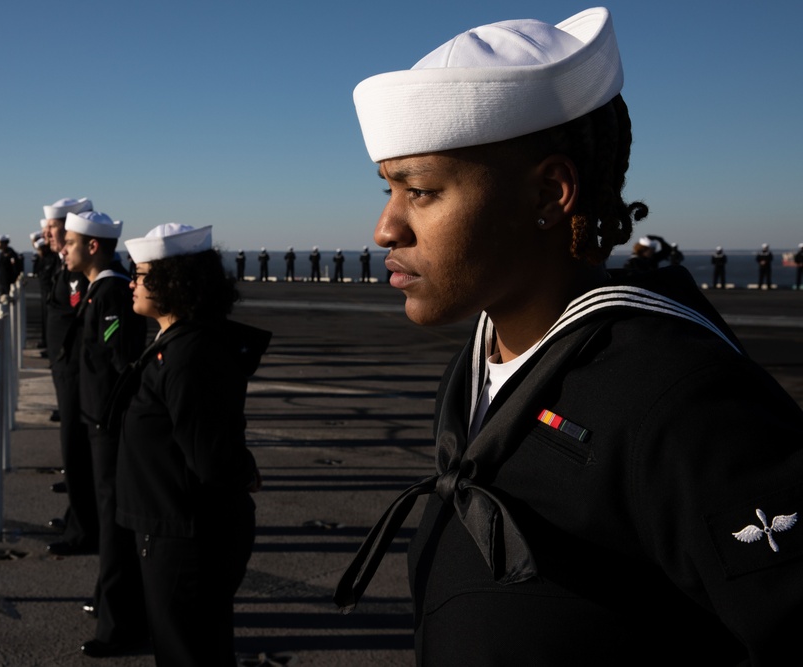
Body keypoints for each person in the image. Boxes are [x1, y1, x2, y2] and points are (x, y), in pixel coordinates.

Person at [333, 8, 803, 664]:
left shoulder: (680, 402)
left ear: (550, 194)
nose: (386, 228)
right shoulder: (483, 360)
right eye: (388, 189)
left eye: (421, 191)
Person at [117, 223, 268, 666]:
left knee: (188, 651)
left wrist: (243, 471)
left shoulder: (190, 355)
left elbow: (210, 455)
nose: (133, 283)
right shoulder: (178, 344)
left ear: (174, 283)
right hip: (174, 526)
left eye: (142, 275)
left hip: (186, 535)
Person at [61, 210, 147, 657]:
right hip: (99, 423)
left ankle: (120, 625)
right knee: (110, 519)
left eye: (70, 242)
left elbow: (120, 362)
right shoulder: (99, 292)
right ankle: (109, 603)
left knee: (115, 526)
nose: (62, 248)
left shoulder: (111, 292)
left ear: (93, 247)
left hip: (108, 427)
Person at [42, 197, 98, 560]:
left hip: (77, 373)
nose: (46, 233)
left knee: (77, 451)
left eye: (53, 227)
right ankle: (75, 517)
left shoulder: (79, 272)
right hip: (68, 370)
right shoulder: (66, 265)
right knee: (74, 452)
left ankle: (84, 530)